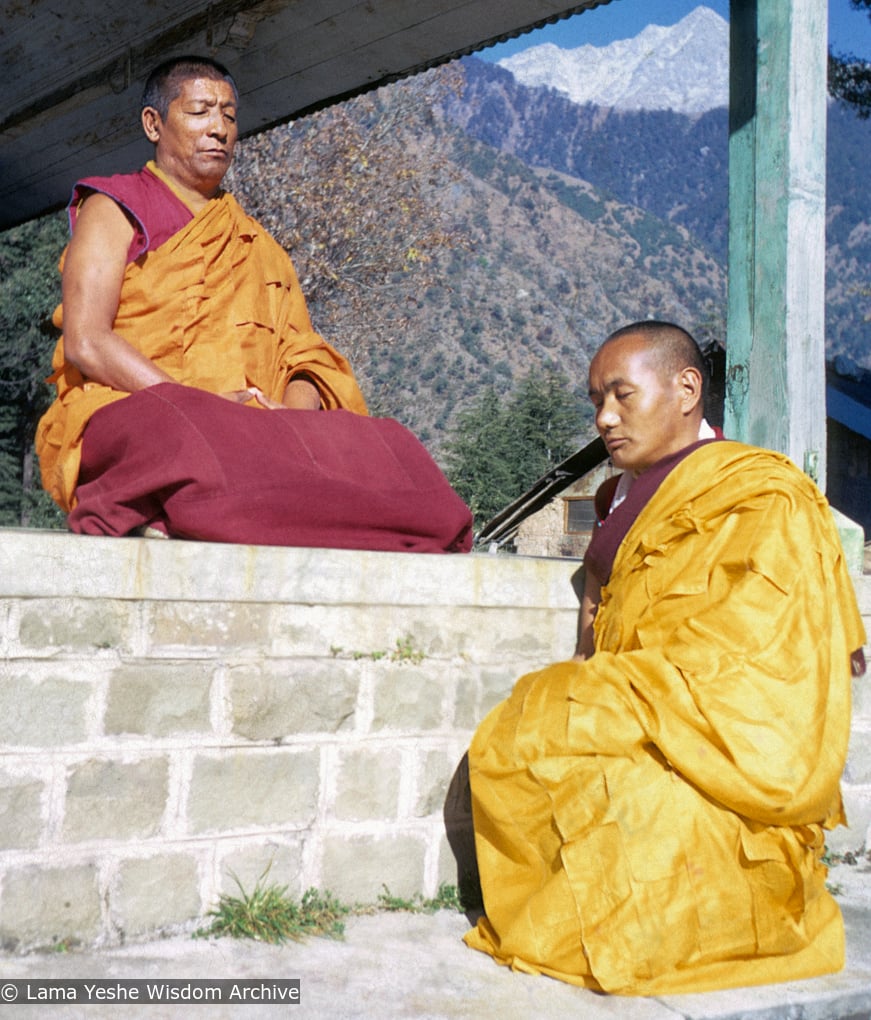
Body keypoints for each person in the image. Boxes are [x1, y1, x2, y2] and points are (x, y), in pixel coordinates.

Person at [463, 320, 866, 994]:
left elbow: (765, 642)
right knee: (523, 730)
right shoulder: (612, 495)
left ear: (686, 389)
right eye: (596, 401)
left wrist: (636, 689)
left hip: (718, 721)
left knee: (650, 827)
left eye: (621, 395)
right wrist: (600, 685)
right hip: (636, 698)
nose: (604, 418)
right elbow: (601, 614)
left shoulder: (759, 491)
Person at [36, 56, 472, 553]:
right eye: (200, 111)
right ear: (154, 124)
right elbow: (87, 342)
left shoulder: (258, 244)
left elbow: (303, 356)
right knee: (173, 437)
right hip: (140, 407)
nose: (219, 129)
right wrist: (199, 407)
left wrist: (290, 420)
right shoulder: (114, 208)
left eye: (228, 115)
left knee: (385, 445)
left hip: (250, 427)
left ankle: (206, 508)